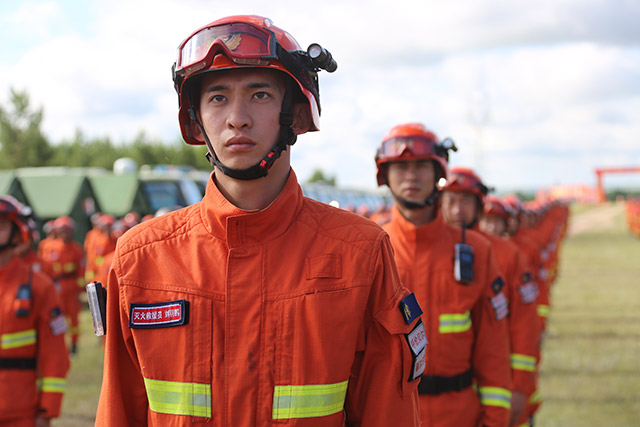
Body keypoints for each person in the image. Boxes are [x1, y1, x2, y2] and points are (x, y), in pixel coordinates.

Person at [96, 15, 423, 426]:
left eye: (260, 94)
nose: (237, 117)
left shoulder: (361, 252)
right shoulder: (139, 260)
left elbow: (386, 412)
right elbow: (117, 413)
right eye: (217, 97)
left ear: (298, 114)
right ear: (195, 118)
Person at [375, 123, 511, 427]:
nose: (411, 176)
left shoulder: (476, 250)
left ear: (439, 172)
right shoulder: (369, 247)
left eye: (421, 166)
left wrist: (496, 418)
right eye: (401, 166)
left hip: (459, 413)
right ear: (385, 175)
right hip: (389, 413)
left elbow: (493, 346)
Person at [441, 168, 541, 426]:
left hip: (498, 376)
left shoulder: (506, 254)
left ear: (479, 205)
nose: (456, 210)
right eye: (450, 201)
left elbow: (524, 325)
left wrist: (518, 387)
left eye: (465, 201)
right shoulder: (432, 252)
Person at [0, 196, 70, 426]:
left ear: (17, 231)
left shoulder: (39, 286)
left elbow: (55, 356)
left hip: (20, 413)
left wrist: (47, 410)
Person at [38, 216, 85, 355]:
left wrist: (79, 291)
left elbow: (80, 271)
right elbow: (44, 268)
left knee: (74, 319)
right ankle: (59, 345)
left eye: (67, 230)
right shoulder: (49, 246)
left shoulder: (76, 249)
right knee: (57, 318)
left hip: (71, 289)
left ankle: (74, 344)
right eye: (62, 230)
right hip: (55, 289)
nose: (65, 233)